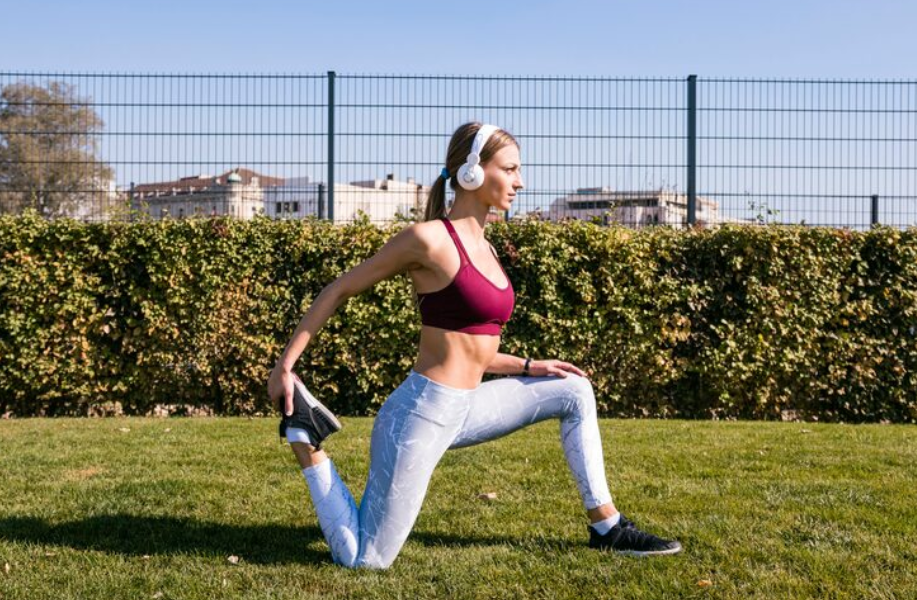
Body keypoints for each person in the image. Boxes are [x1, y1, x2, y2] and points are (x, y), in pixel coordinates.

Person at [267, 122, 682, 569]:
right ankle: (305, 438)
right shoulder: (427, 240)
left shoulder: (487, 247)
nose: (520, 181)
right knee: (365, 559)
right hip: (421, 414)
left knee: (573, 389)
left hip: (468, 408)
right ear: (472, 172)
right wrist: (285, 366)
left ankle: (607, 526)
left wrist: (529, 364)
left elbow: (474, 350)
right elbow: (338, 290)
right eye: (511, 169)